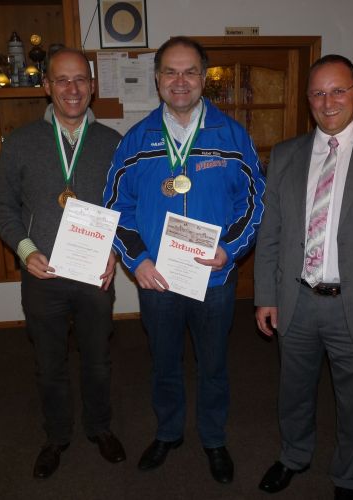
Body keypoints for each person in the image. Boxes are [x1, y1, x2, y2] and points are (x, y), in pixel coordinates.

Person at [254, 54, 353, 499]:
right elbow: (271, 233)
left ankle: (348, 477)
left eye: (338, 91)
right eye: (318, 93)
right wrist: (266, 295)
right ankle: (294, 456)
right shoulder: (286, 155)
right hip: (297, 300)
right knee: (293, 391)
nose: (328, 103)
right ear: (308, 100)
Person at [103, 37, 265, 484]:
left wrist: (230, 249)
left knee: (213, 364)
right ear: (157, 79)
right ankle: (168, 432)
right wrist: (137, 261)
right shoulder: (136, 140)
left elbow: (255, 200)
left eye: (190, 71)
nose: (180, 81)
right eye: (170, 72)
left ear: (203, 77)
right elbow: (116, 206)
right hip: (157, 280)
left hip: (215, 279)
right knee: (164, 363)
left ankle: (213, 438)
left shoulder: (231, 135)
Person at [0, 47, 126, 479]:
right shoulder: (20, 142)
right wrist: (25, 250)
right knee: (49, 364)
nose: (72, 89)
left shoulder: (112, 143)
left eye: (80, 79)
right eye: (62, 80)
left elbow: (124, 205)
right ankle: (57, 436)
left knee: (97, 360)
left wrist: (115, 249)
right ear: (46, 86)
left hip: (94, 273)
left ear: (92, 86)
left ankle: (99, 427)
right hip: (42, 273)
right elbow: (1, 205)